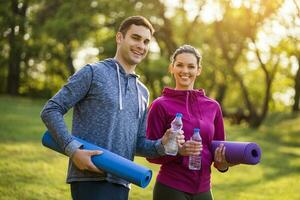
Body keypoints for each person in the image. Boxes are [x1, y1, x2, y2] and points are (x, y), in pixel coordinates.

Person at [40, 16, 183, 200]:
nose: (141, 45)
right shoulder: (93, 72)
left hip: (123, 180)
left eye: (146, 41)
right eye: (136, 38)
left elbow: (138, 144)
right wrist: (72, 150)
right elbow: (51, 109)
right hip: (88, 177)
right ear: (119, 38)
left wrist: (162, 144)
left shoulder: (142, 92)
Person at [146, 44, 233, 200]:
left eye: (191, 66)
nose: (185, 71)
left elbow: (218, 153)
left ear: (198, 70)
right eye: (179, 65)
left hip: (204, 190)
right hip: (171, 188)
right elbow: (151, 155)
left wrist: (224, 164)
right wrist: (179, 152)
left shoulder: (213, 107)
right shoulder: (160, 105)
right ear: (171, 68)